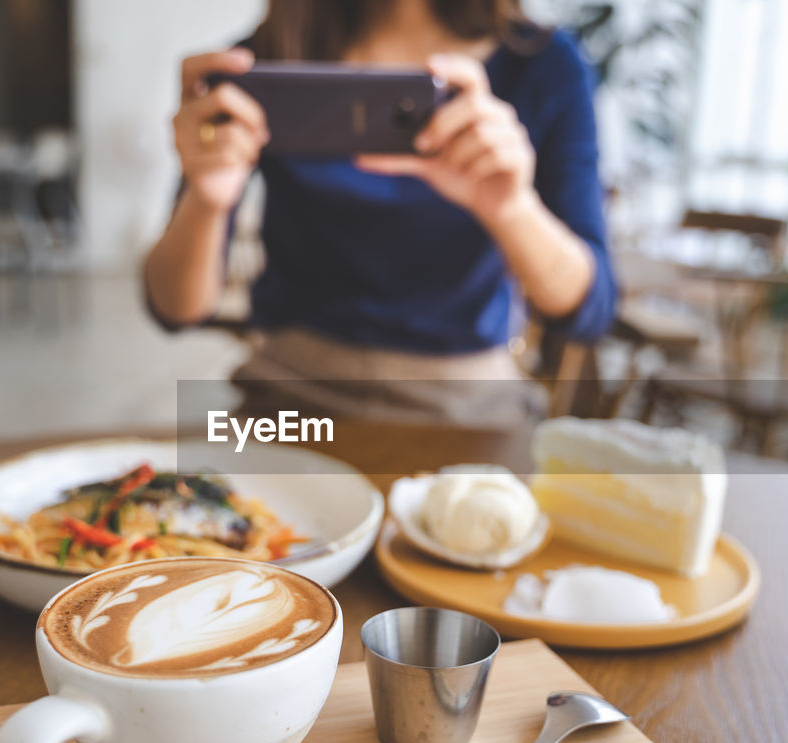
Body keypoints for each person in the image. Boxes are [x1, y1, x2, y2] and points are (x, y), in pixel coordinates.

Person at [144, 0, 615, 425]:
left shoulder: (545, 65)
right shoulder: (260, 61)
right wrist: (205, 201)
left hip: (467, 405)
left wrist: (512, 209)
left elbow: (589, 310)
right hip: (288, 397)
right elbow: (175, 309)